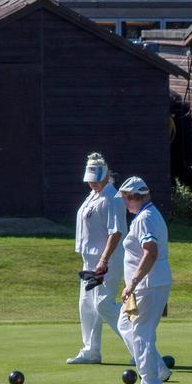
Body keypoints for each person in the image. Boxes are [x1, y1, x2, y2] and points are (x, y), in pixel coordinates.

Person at [67, 153, 127, 365]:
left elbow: (116, 232)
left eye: (96, 178)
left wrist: (103, 260)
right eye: (90, 178)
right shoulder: (94, 195)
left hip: (106, 260)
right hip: (89, 260)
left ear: (106, 175)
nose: (92, 182)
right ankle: (91, 351)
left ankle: (138, 340)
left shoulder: (112, 197)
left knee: (103, 305)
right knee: (86, 305)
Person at [116, 176, 172, 384]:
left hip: (147, 284)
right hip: (150, 283)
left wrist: (133, 283)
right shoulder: (148, 214)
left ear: (134, 198)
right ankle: (157, 368)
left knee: (141, 332)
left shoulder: (145, 219)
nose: (124, 203)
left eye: (125, 199)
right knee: (124, 324)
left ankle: (150, 383)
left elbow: (151, 251)